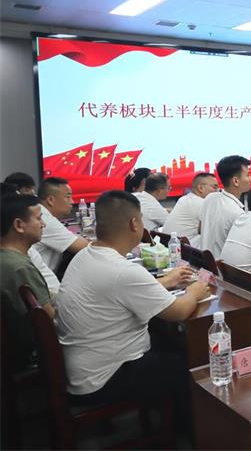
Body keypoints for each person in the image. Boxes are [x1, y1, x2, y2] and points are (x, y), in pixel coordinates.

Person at [55, 191, 209, 421]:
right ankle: (186, 428)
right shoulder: (123, 270)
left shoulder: (87, 254)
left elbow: (120, 290)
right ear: (134, 223)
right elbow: (179, 311)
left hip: (85, 367)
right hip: (104, 377)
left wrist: (167, 281)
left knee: (170, 341)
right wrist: (194, 292)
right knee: (188, 363)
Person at [1, 194, 55, 372]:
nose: (43, 224)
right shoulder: (19, 268)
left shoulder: (9, 259)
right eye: (39, 218)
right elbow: (49, 319)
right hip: (34, 352)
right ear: (19, 225)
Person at [198, 155, 251, 257]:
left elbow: (200, 229)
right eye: (248, 175)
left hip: (205, 262)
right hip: (222, 265)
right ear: (236, 181)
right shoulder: (238, 214)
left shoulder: (209, 198)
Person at [32, 177, 89, 272]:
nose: (72, 202)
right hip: (42, 279)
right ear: (51, 200)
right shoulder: (45, 219)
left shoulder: (42, 213)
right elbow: (85, 247)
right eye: (68, 197)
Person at [162, 172, 218, 241]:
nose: (217, 191)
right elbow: (212, 230)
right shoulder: (203, 204)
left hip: (169, 242)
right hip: (185, 245)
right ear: (201, 188)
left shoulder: (184, 198)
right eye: (214, 187)